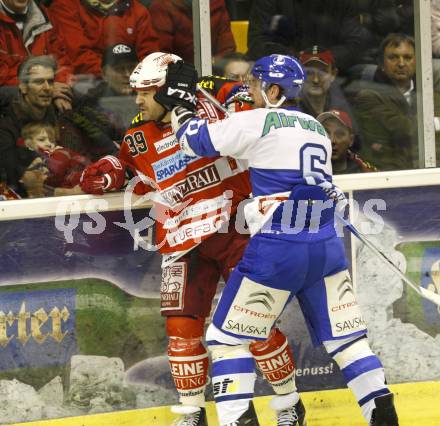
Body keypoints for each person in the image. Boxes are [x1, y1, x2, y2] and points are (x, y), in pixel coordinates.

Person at [159, 54, 399, 425]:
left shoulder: (257, 120)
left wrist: (179, 105)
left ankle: (236, 420)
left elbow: (195, 142)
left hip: (279, 246)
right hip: (325, 243)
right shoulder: (316, 127)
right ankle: (383, 413)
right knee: (349, 343)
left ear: (273, 90)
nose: (248, 89)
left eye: (254, 84)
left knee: (225, 339)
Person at [80, 52, 298, 426]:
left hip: (236, 226)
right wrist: (105, 172)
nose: (137, 100)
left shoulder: (211, 94)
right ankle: (192, 412)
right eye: (137, 92)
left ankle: (290, 402)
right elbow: (127, 169)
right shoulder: (137, 134)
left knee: (256, 323)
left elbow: (252, 102)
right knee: (181, 331)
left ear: (167, 90)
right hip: (182, 238)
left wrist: (226, 99)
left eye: (146, 92)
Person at [246, 0, 367, 75]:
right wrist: (297, 59)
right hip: (281, 72)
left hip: (329, 73)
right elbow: (257, 42)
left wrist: (321, 59)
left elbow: (356, 44)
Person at [44, 0, 159, 77]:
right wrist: (115, 75)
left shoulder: (137, 10)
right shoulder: (66, 6)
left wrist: (135, 76)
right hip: (88, 81)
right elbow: (78, 55)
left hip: (133, 80)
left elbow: (150, 56)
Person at [353, 33, 417, 171]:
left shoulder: (430, 96)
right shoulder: (368, 97)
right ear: (381, 63)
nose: (401, 63)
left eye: (407, 57)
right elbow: (396, 135)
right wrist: (435, 123)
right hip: (389, 178)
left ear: (417, 61)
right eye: (393, 57)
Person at [0, 55, 59, 197]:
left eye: (50, 82)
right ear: (23, 87)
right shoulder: (5, 129)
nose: (47, 88)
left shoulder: (60, 115)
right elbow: (13, 179)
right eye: (39, 82)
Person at [0, 0, 74, 112]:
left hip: (46, 84)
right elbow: (2, 76)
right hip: (9, 91)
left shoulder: (44, 15)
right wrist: (45, 86)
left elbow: (61, 60)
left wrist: (60, 92)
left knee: (82, 97)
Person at [149, 0, 236, 64]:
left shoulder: (217, 3)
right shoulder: (162, 6)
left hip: (213, 72)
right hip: (176, 78)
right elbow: (161, 56)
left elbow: (227, 49)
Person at [316, 109, 377, 174]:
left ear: (351, 140)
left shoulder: (365, 174)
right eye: (326, 133)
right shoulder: (307, 171)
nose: (332, 141)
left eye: (339, 134)